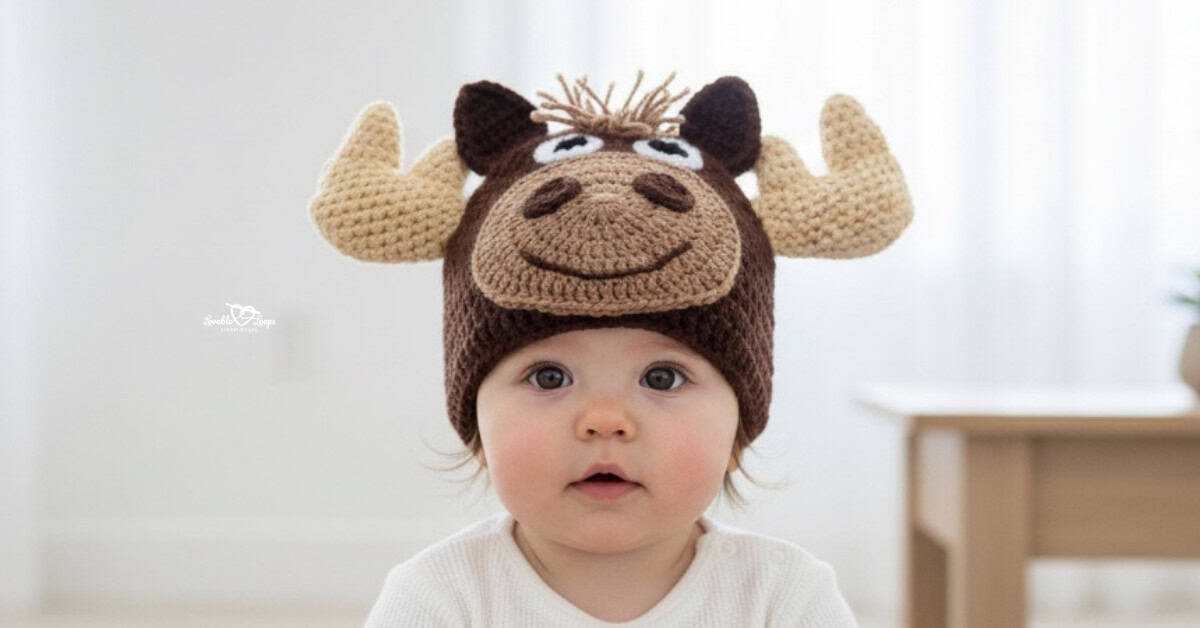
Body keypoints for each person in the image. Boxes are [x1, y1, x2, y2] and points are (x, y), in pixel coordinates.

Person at [308, 70, 913, 627]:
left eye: (663, 378)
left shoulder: (783, 597)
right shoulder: (440, 598)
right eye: (548, 377)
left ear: (739, 432)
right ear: (476, 428)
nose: (605, 422)